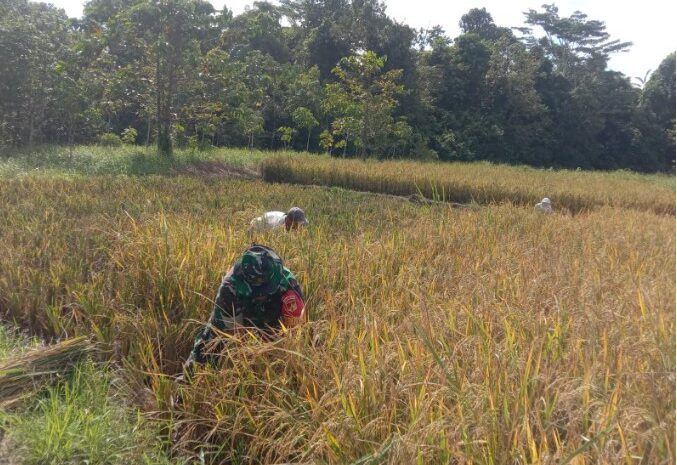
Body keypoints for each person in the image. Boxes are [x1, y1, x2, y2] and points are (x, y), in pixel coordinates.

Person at [183, 244, 305, 375]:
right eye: (256, 291)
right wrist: (252, 358)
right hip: (236, 326)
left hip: (274, 327)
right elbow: (233, 336)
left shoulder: (288, 285)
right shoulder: (229, 288)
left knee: (295, 366)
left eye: (264, 290)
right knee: (202, 356)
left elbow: (294, 331)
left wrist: (274, 352)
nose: (260, 295)